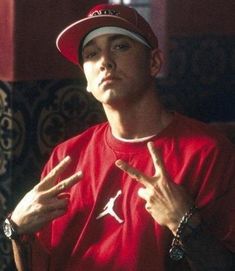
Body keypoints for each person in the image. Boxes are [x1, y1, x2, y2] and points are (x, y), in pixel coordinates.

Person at [2, 3, 235, 271]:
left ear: (154, 62)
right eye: (91, 54)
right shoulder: (65, 157)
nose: (105, 62)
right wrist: (17, 231)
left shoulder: (207, 151)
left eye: (120, 46)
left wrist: (185, 223)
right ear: (86, 82)